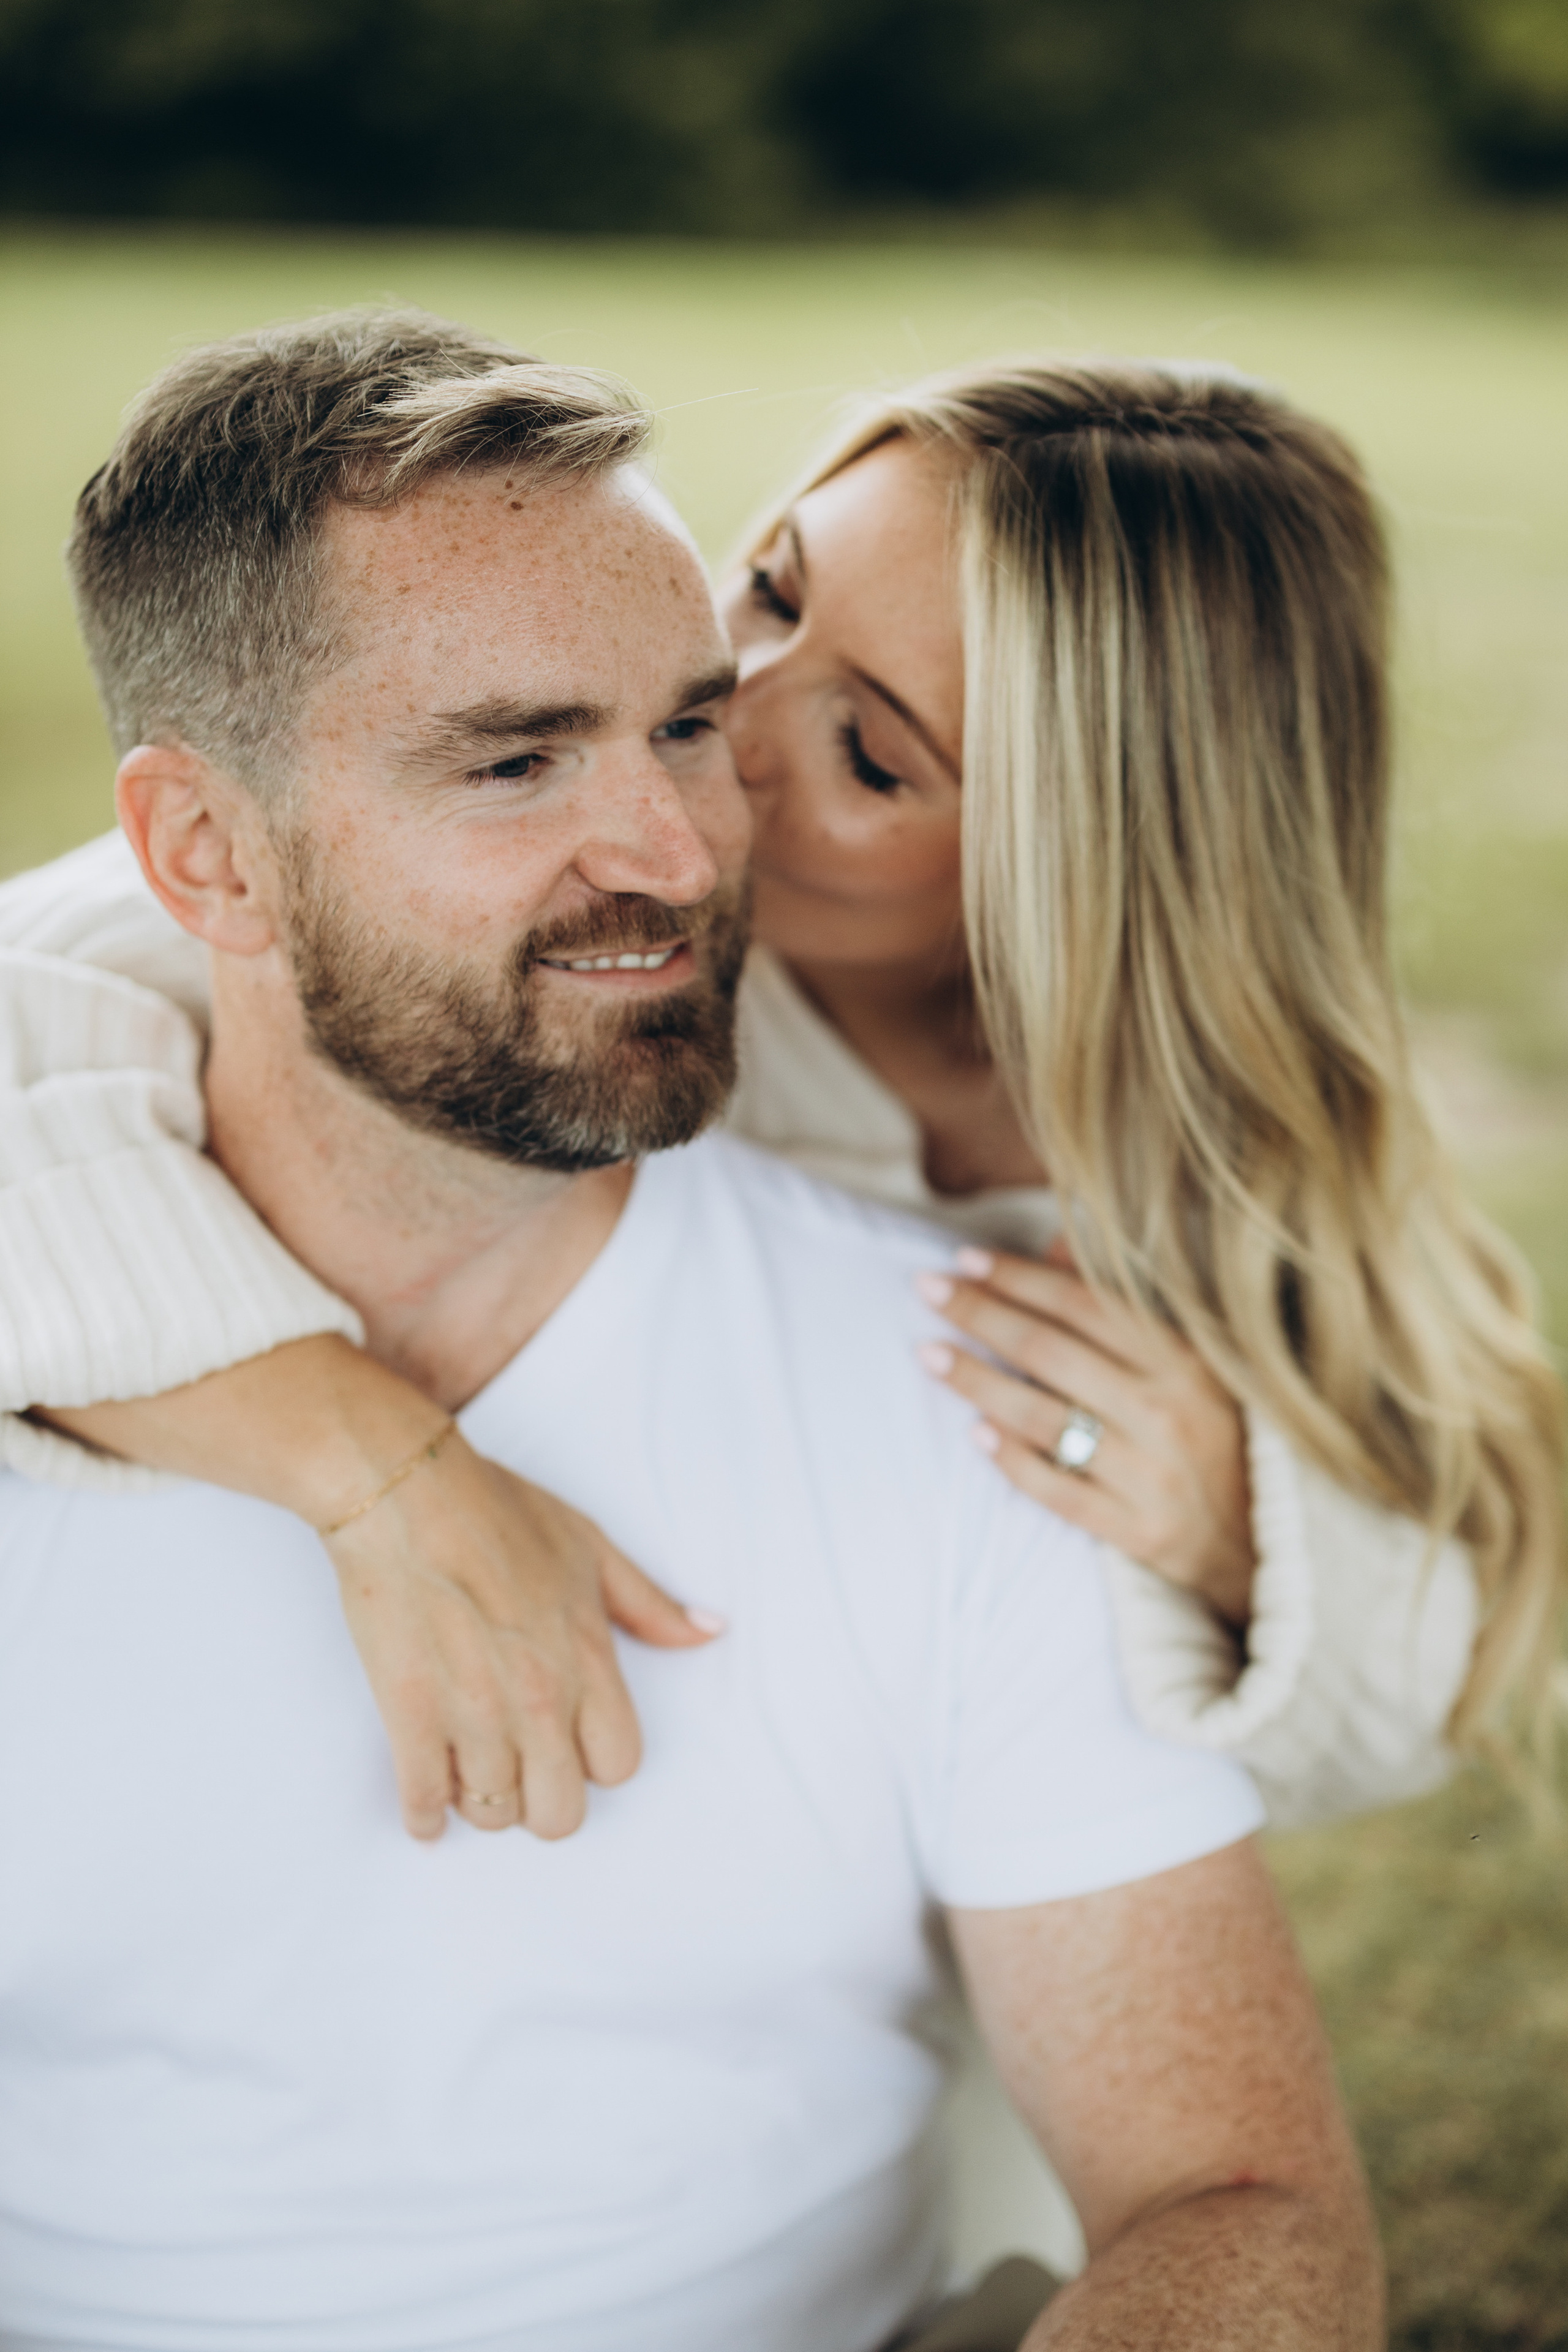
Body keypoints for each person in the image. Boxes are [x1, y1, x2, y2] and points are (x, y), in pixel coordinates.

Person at [2, 315, 1561, 2284]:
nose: (714, 731)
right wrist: (369, 1453)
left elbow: (1444, 1641)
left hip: (851, 2027)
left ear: (1055, 875)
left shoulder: (1184, 1193)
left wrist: (1251, 1533)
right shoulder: (352, 907)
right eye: (770, 591)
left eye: (865, 749)